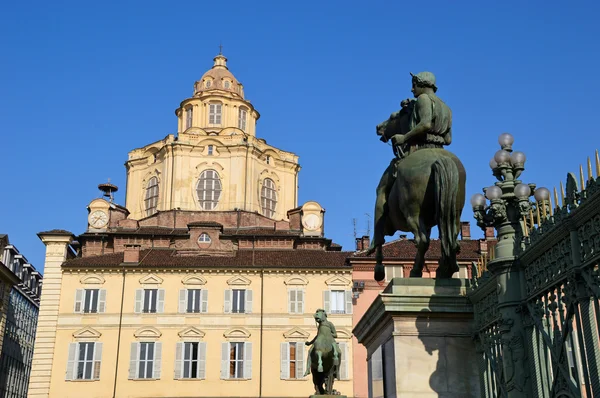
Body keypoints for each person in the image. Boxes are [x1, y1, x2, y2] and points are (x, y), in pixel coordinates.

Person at [368, 71, 453, 255]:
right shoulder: (445, 107)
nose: (412, 88)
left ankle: (378, 238)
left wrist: (404, 137)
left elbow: (425, 124)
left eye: (414, 84)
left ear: (422, 84)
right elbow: (448, 139)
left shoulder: (423, 99)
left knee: (381, 189)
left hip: (419, 149)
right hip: (442, 151)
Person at [304, 309, 340, 376]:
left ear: (324, 316)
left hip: (330, 340)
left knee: (339, 352)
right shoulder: (319, 326)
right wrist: (309, 343)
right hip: (320, 340)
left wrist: (328, 334)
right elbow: (317, 335)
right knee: (310, 352)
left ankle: (337, 370)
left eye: (319, 314)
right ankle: (308, 369)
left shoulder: (330, 324)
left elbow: (335, 334)